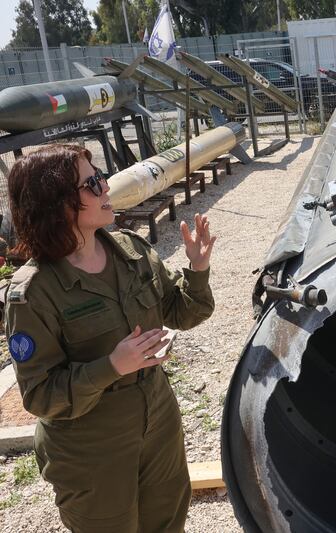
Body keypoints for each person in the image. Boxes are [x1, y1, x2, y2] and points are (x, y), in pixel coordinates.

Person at [4, 144, 216, 532]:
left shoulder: (130, 252)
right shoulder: (34, 293)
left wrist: (197, 269)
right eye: (92, 183)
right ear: (57, 203)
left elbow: (183, 312)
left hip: (158, 420)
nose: (105, 188)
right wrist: (112, 366)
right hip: (90, 447)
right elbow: (40, 396)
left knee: (169, 520)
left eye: (101, 177)